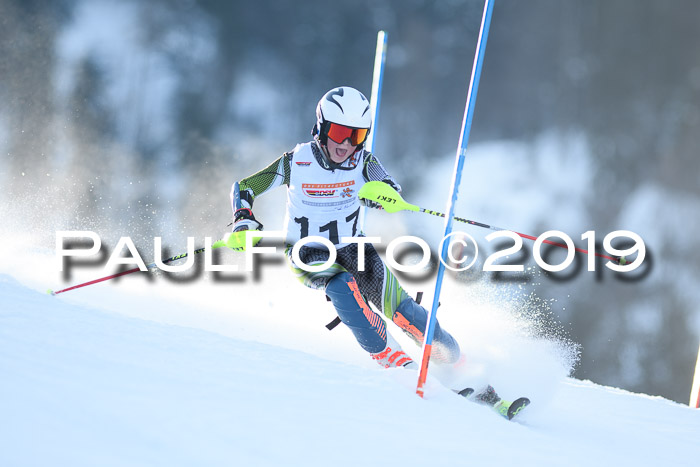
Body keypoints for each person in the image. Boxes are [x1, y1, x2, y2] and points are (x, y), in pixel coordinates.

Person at [229, 86, 463, 372]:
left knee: (404, 311)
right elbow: (246, 187)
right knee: (341, 286)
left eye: (358, 135)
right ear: (321, 127)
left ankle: (456, 362)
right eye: (340, 132)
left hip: (354, 248)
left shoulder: (363, 162)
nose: (347, 144)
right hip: (307, 252)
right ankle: (394, 361)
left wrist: (381, 197)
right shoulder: (296, 162)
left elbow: (389, 188)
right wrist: (243, 218)